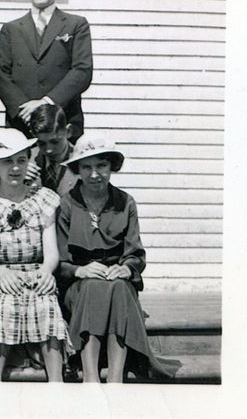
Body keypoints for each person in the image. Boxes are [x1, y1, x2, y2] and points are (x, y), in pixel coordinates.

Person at [57, 136, 180, 382]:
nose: (94, 174)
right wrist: (79, 271)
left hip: (116, 279)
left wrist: (126, 269)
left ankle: (115, 378)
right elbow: (59, 261)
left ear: (112, 166)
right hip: (80, 284)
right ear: (77, 170)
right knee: (93, 287)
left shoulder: (125, 202)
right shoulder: (66, 204)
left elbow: (135, 254)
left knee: (120, 289)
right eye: (86, 167)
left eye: (101, 166)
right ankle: (90, 377)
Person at [0, 128, 73, 382]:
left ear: (29, 161)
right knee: (9, 300)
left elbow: (51, 254)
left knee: (46, 300)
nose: (15, 168)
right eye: (7, 162)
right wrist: (4, 274)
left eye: (20, 160)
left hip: (36, 272)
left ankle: (56, 381)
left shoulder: (43, 200)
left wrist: (45, 273)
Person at [0, 0, 92, 143]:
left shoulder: (76, 25)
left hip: (63, 121)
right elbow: (1, 76)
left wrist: (46, 103)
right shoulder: (11, 29)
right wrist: (24, 111)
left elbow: (82, 70)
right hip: (22, 124)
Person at [29, 104, 78, 196]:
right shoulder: (25, 161)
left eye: (55, 142)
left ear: (68, 131)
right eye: (42, 143)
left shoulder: (82, 162)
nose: (49, 150)